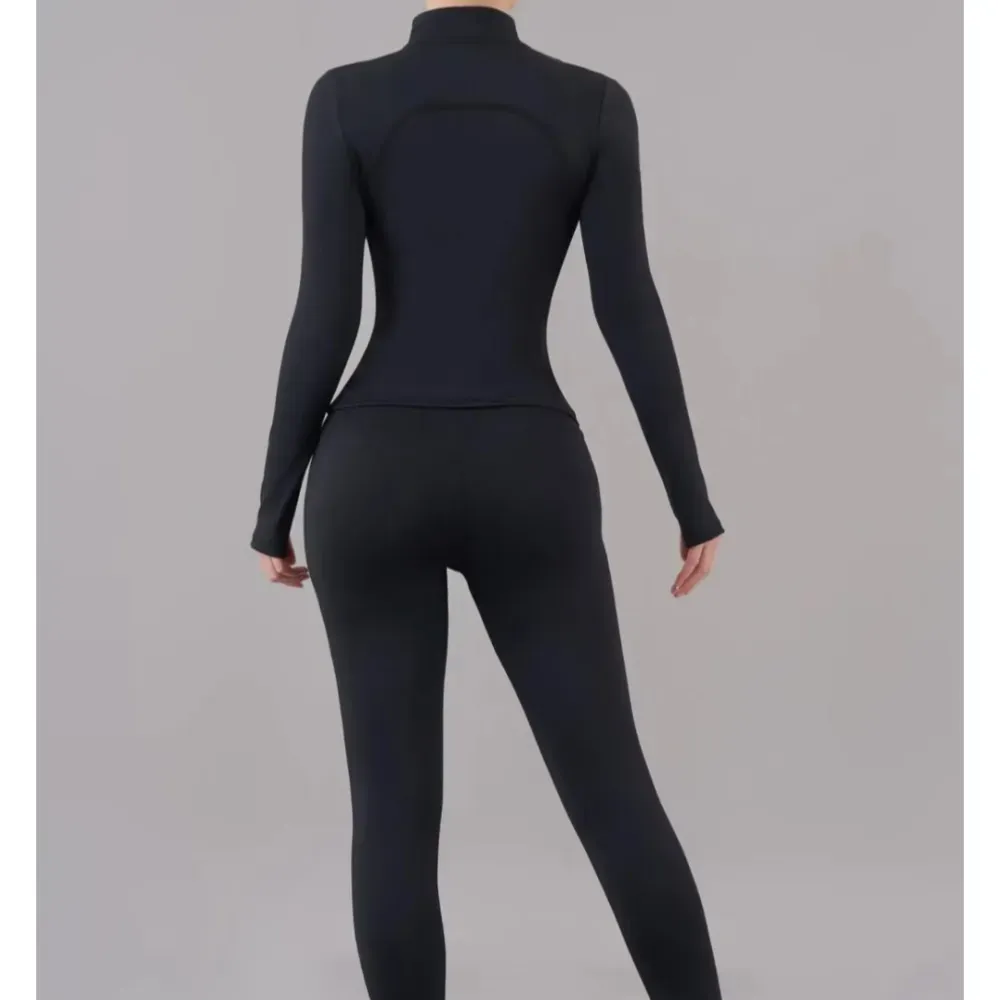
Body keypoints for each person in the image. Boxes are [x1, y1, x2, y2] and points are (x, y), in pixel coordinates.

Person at [250, 2, 725, 997]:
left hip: (372, 468)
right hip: (528, 464)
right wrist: (692, 504)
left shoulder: (344, 100)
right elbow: (627, 306)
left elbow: (325, 309)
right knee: (613, 791)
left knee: (391, 812)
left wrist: (273, 508)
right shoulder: (592, 105)